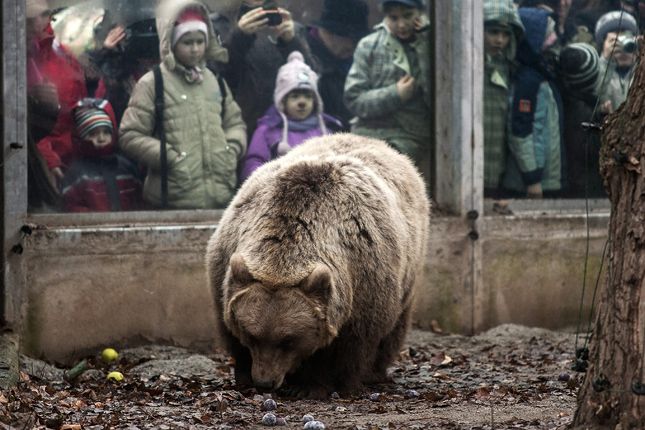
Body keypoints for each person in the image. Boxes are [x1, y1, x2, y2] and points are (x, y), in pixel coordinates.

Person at [119, 0, 247, 209]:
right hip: (171, 202)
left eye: (200, 41)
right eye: (187, 42)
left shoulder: (215, 81)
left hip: (220, 200)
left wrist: (230, 150)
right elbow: (129, 135)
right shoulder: (153, 83)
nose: (195, 49)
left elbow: (235, 124)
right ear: (170, 42)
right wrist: (169, 157)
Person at [344, 0, 431, 165]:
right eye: (393, 18)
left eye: (408, 16)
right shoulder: (369, 45)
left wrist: (424, 41)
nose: (402, 24)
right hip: (366, 134)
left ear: (420, 13)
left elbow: (439, 100)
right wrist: (395, 94)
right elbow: (354, 99)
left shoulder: (433, 44)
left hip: (411, 136)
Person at [213, 0, 313, 138]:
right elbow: (218, 78)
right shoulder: (216, 26)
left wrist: (291, 42)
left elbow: (312, 83)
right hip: (240, 128)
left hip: (289, 130)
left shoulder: (287, 24)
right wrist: (239, 37)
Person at [240, 51, 342, 182]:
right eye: (295, 96)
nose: (302, 102)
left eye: (308, 96)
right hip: (281, 193)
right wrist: (265, 185)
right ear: (283, 101)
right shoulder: (268, 130)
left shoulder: (328, 129)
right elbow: (254, 162)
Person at [503, 7, 564, 198]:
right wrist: (532, 178)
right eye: (549, 33)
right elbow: (521, 132)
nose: (554, 38)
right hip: (531, 184)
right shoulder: (528, 82)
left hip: (547, 179)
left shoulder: (543, 75)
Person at [27, 0, 88, 190]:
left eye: (44, 15)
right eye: (29, 18)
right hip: (35, 165)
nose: (38, 23)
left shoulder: (63, 55)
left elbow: (79, 107)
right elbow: (18, 121)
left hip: (73, 165)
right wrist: (48, 158)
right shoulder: (20, 56)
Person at [61, 98, 144, 212]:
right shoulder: (76, 173)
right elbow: (71, 207)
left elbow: (139, 203)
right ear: (80, 138)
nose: (101, 138)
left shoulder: (126, 168)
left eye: (106, 132)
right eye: (92, 134)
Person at [306, 0, 370, 131]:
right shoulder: (304, 58)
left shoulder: (356, 59)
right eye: (350, 39)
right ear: (328, 33)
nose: (353, 46)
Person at [483, 0, 525, 198]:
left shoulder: (509, 66)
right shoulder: (470, 62)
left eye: (506, 34)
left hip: (498, 149)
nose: (499, 40)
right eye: (493, 32)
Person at [558, 43, 606, 197]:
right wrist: (605, 121)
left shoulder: (575, 102)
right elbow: (590, 151)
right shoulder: (581, 111)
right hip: (586, 186)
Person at [594, 10, 639, 113]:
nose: (622, 49)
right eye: (615, 42)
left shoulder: (640, 74)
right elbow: (595, 96)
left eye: (627, 40)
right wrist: (605, 61)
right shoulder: (595, 73)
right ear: (603, 45)